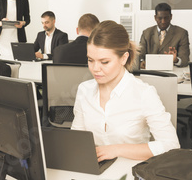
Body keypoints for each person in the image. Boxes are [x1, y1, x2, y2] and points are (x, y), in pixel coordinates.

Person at [71, 20, 179, 162]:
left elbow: (171, 146)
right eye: (90, 60)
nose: (95, 68)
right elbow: (76, 140)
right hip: (95, 170)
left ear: (124, 58)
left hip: (130, 170)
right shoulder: (84, 90)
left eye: (104, 62)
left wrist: (116, 149)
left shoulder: (143, 93)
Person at [139, 3, 190, 68]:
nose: (163, 21)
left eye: (166, 18)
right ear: (155, 17)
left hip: (172, 73)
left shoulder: (181, 33)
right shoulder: (146, 33)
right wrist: (141, 62)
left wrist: (176, 60)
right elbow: (139, 55)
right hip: (150, 71)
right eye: (160, 18)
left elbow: (185, 60)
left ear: (171, 17)